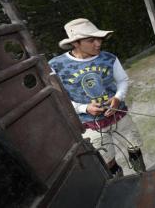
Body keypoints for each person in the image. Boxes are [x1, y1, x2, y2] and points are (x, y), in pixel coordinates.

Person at [49, 18, 145, 177]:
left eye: (99, 38)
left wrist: (118, 98)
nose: (98, 43)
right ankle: (118, 184)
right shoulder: (56, 66)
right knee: (106, 159)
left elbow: (122, 80)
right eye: (91, 40)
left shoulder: (109, 58)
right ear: (75, 43)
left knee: (134, 146)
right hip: (88, 123)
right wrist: (84, 108)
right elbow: (58, 97)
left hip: (118, 114)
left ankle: (143, 176)